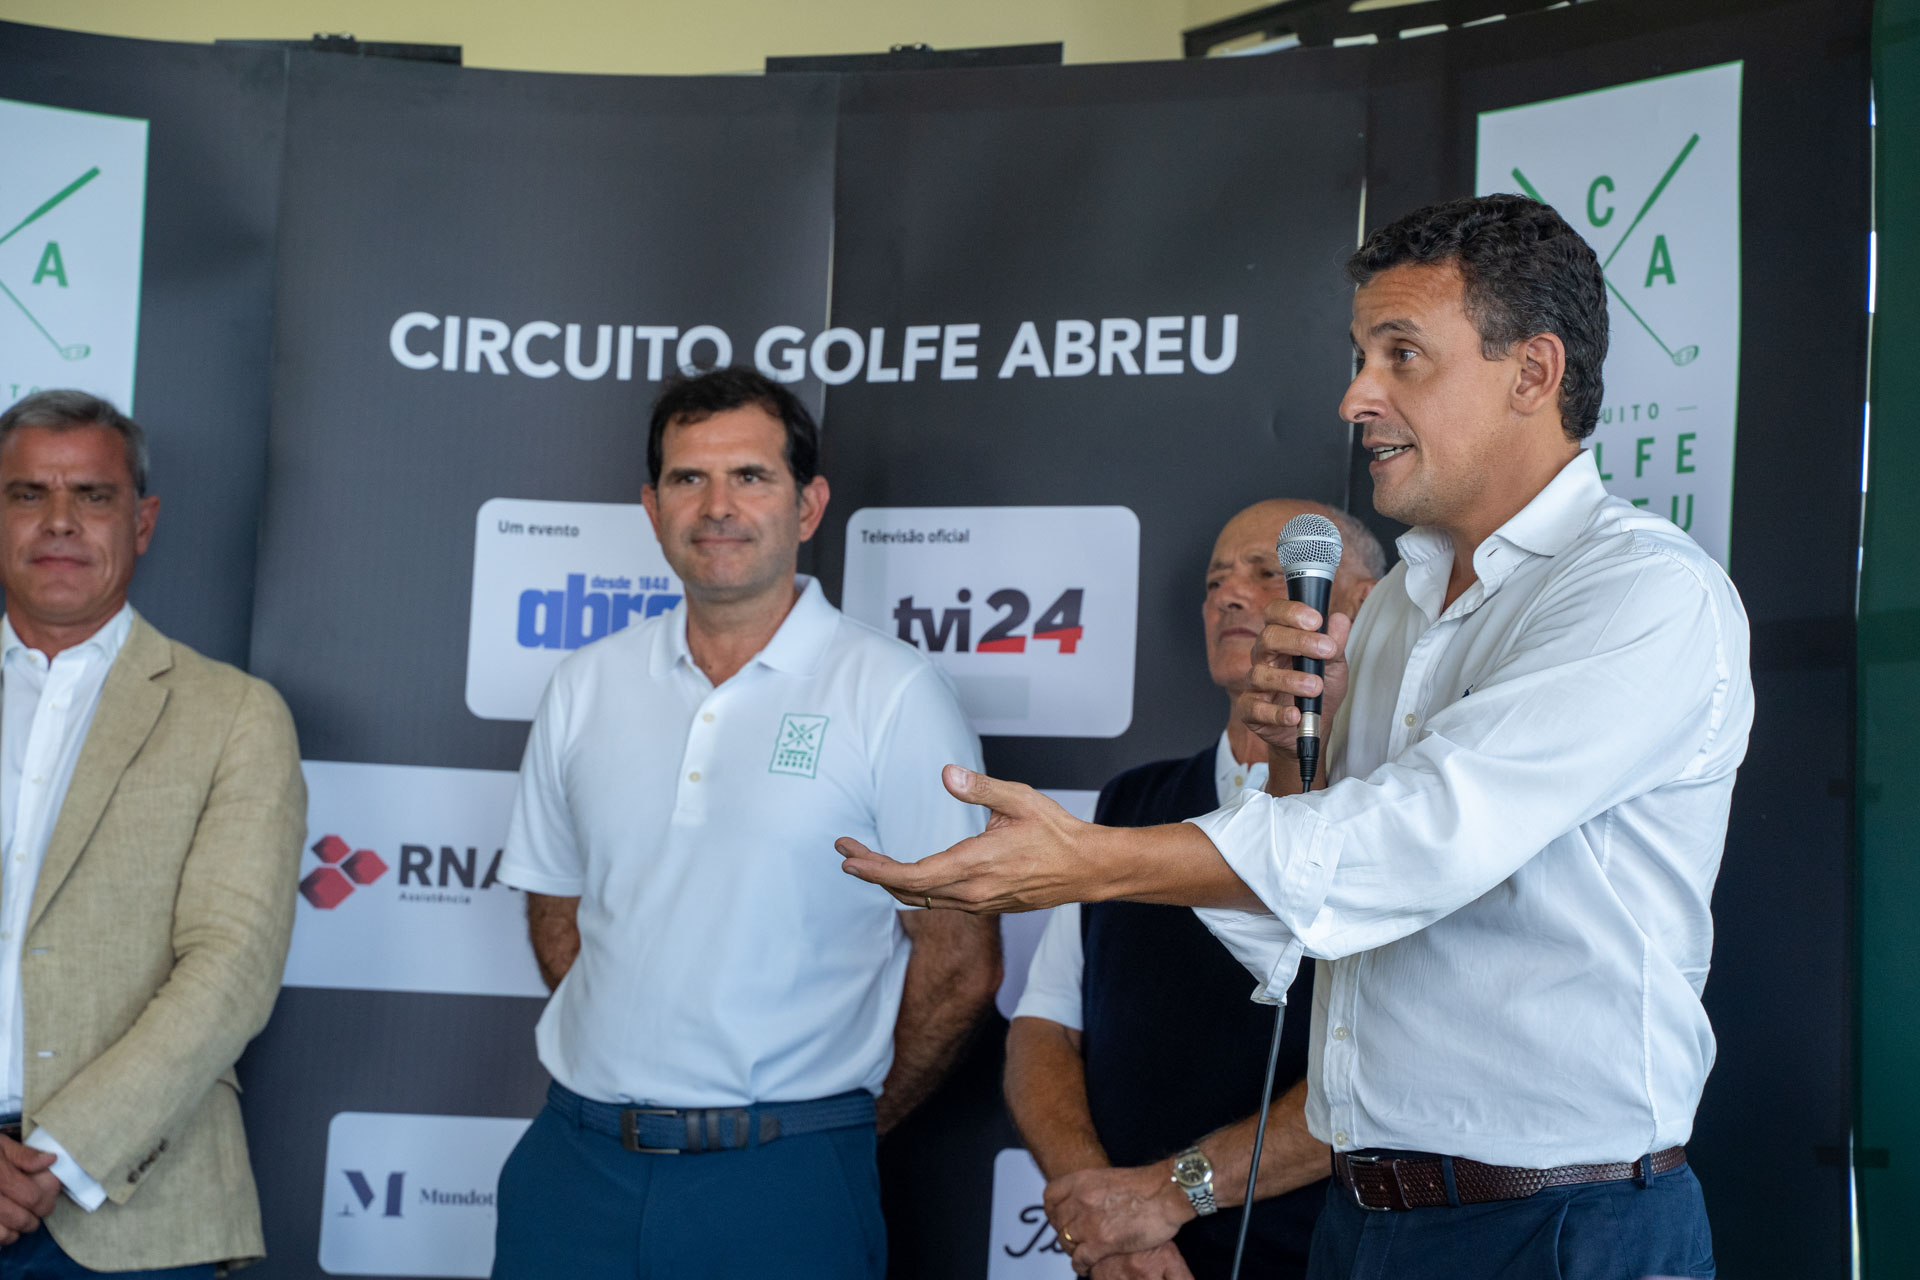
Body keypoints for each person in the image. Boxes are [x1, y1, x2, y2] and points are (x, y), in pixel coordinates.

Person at [839, 194, 1751, 1280]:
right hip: (1364, 1220)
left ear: (1532, 372)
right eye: (1361, 356)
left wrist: (1093, 861)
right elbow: (1306, 940)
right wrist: (1282, 768)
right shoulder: (1398, 606)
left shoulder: (1643, 592)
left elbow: (1416, 841)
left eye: (1401, 354)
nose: (1355, 396)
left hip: (1562, 1225)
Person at [492, 366, 1000, 1279]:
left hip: (786, 1175)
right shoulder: (585, 683)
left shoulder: (894, 694)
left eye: (750, 477)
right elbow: (556, 905)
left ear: (808, 506)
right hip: (574, 1164)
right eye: (688, 478)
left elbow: (960, 959)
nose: (716, 506)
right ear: (652, 507)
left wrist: (836, 1128)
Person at [1007, 498, 1381, 1280]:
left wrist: (1167, 1196)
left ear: (1362, 605)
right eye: (1216, 582)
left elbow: (1386, 1070)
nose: (1231, 597)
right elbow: (1044, 1030)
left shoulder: (1391, 813)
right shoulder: (1130, 802)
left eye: (1268, 573)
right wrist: (1107, 1218)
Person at [0, 390, 306, 1277]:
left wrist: (58, 1157)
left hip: (136, 1212)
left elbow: (231, 967)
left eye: (93, 495)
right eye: (28, 494)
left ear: (143, 522)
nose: (60, 521)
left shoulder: (236, 715)